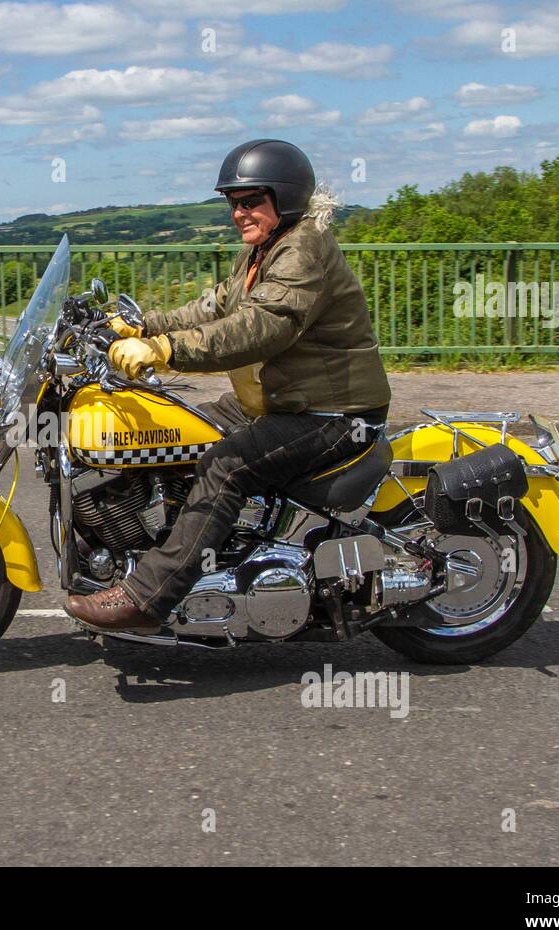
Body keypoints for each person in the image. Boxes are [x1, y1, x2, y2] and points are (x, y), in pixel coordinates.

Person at [65, 139, 392, 632]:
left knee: (225, 466)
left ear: (285, 199)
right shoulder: (261, 250)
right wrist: (140, 326)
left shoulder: (304, 250)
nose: (238, 213)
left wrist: (164, 351)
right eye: (233, 203)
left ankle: (148, 598)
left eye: (250, 201)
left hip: (332, 415)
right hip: (275, 403)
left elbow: (263, 326)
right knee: (175, 425)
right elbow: (214, 306)